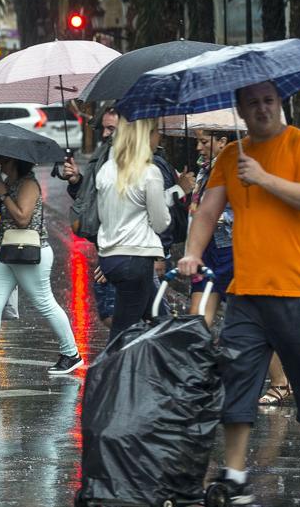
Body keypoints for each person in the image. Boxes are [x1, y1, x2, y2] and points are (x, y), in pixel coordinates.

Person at [178, 80, 300, 507]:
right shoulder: (231, 157)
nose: (262, 109)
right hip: (248, 293)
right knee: (236, 380)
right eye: (252, 102)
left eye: (269, 101)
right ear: (240, 109)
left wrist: (264, 178)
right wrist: (192, 253)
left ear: (280, 103)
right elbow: (207, 211)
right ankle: (234, 477)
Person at [0, 155, 83, 377]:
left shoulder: (28, 184)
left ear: (16, 162)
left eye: (4, 160)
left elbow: (22, 218)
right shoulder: (10, 183)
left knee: (44, 303)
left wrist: (3, 195)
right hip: (8, 252)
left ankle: (72, 354)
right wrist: (2, 193)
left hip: (30, 252)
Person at [93, 118, 171, 341]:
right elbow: (161, 223)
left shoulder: (106, 170)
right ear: (145, 136)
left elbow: (102, 216)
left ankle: (167, 370)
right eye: (155, 132)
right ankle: (105, 374)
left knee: (160, 321)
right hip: (135, 259)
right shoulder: (149, 172)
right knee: (122, 333)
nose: (159, 137)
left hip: (110, 258)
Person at [60, 106, 119, 327]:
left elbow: (127, 213)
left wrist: (113, 259)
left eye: (110, 129)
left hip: (123, 250)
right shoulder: (103, 155)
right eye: (103, 128)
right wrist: (77, 181)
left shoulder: (135, 163)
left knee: (117, 315)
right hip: (107, 247)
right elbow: (93, 198)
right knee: (112, 314)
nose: (104, 134)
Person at [186, 130, 235, 326]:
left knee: (237, 321)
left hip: (230, 252)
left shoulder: (236, 168)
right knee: (197, 318)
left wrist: (211, 215)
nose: (199, 147)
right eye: (198, 142)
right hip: (206, 250)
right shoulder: (203, 169)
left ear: (222, 141)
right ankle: (197, 352)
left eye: (204, 142)